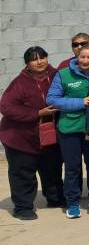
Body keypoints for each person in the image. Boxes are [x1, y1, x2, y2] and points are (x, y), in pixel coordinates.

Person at [1, 47, 64, 220]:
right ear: (27, 63)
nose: (39, 62)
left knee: (52, 169)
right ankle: (23, 207)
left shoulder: (57, 75)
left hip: (49, 135)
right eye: (34, 59)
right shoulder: (20, 83)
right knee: (23, 174)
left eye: (42, 57)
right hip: (20, 138)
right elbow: (6, 107)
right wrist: (36, 113)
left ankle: (55, 198)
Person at [47, 42, 89, 219]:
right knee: (73, 168)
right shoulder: (63, 74)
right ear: (76, 57)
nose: (85, 60)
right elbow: (52, 99)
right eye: (82, 56)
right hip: (69, 128)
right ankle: (72, 202)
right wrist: (81, 102)